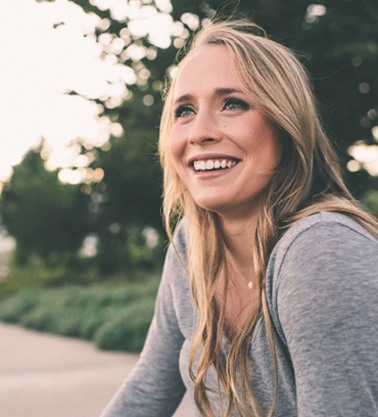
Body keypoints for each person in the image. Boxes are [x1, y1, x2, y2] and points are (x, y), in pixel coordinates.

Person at [100, 19, 378, 417]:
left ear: (285, 123)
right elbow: (147, 390)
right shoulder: (191, 242)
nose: (200, 132)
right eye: (184, 110)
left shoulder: (323, 253)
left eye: (233, 103)